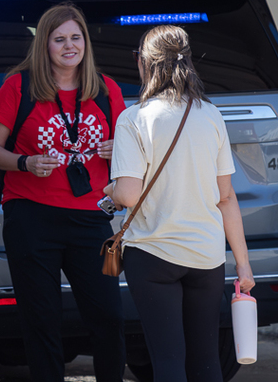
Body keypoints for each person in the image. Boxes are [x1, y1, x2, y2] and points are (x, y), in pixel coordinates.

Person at [0, 2, 126, 382]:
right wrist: (24, 162)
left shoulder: (106, 90)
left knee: (110, 316)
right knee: (41, 321)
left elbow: (133, 153)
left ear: (86, 42)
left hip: (92, 218)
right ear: (44, 44)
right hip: (32, 217)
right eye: (59, 39)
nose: (69, 46)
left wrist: (120, 149)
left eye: (76, 37)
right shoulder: (19, 86)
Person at [106, 25, 254, 382]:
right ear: (187, 62)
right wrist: (244, 266)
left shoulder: (134, 118)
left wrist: (110, 190)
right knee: (206, 359)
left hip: (152, 253)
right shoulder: (210, 114)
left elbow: (128, 195)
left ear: (143, 63)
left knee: (168, 360)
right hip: (206, 255)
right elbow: (226, 197)